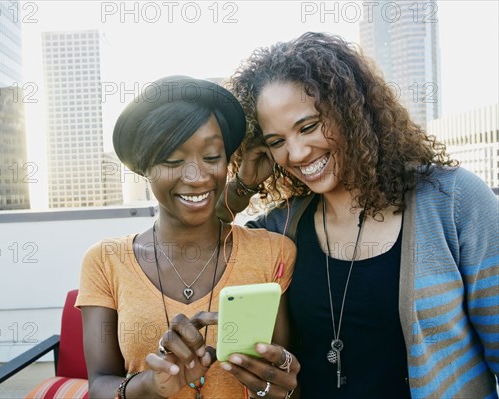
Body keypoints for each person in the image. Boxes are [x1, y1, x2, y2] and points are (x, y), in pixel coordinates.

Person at [216, 32, 499, 399]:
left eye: (308, 126)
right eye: (276, 141)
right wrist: (242, 186)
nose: (297, 152)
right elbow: (199, 242)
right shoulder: (281, 227)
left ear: (352, 110)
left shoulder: (453, 200)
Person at [76, 76, 299, 399]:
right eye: (172, 161)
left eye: (211, 157)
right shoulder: (104, 260)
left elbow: (283, 382)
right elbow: (99, 386)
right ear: (145, 168)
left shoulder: (273, 252)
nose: (196, 178)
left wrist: (282, 387)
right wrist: (150, 385)